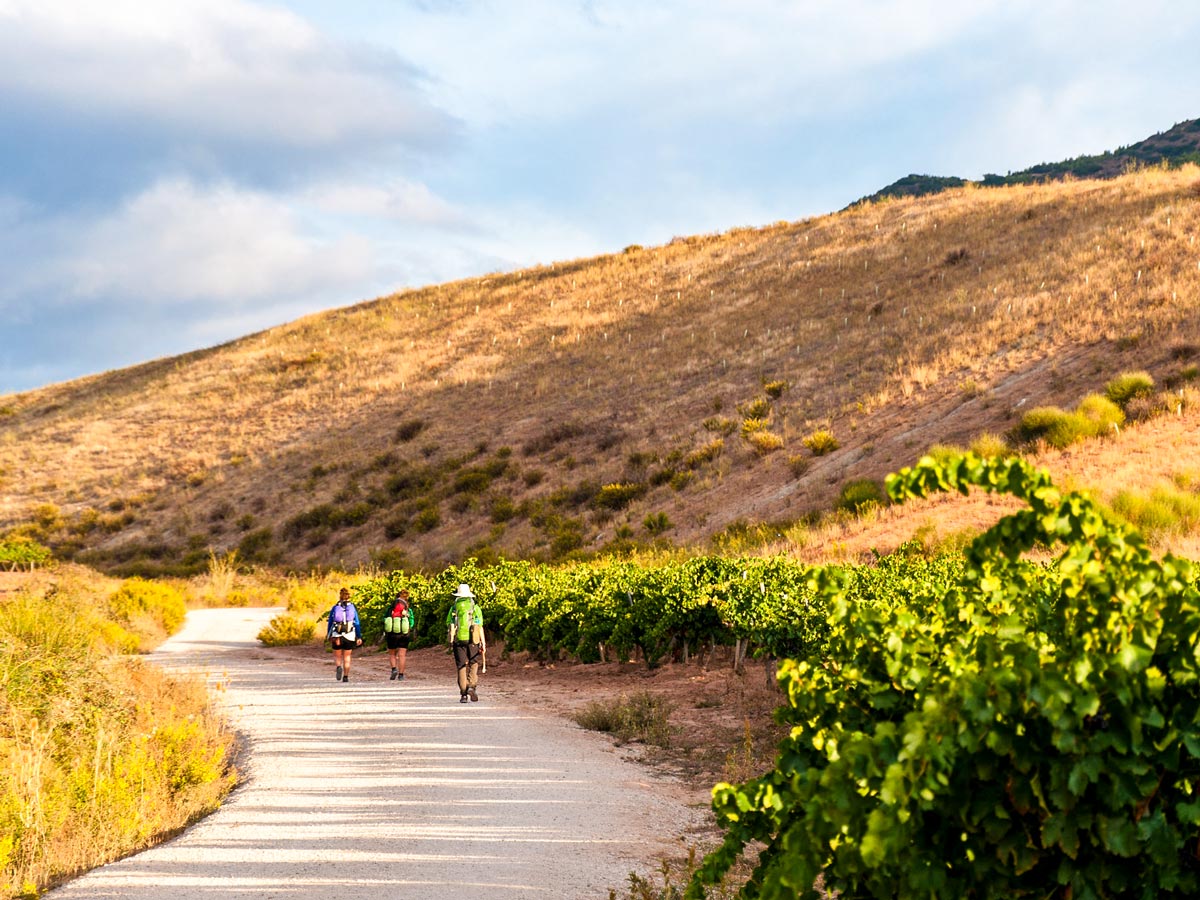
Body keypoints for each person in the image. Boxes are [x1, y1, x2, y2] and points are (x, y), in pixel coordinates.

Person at [446, 583, 484, 703]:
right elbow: (479, 626)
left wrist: (451, 640)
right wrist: (483, 642)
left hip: (458, 639)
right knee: (473, 662)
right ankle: (472, 686)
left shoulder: (454, 608)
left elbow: (449, 623)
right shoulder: (475, 607)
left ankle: (463, 694)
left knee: (461, 666)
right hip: (473, 639)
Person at [326, 587, 362, 683]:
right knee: (347, 657)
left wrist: (328, 635)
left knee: (337, 656)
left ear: (340, 596)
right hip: (349, 635)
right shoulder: (352, 607)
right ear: (348, 596)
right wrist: (358, 636)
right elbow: (357, 622)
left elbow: (330, 622)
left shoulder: (335, 607)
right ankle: (345, 677)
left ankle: (338, 667)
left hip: (336, 635)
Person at [383, 589, 415, 681]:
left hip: (392, 633)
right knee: (402, 655)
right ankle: (401, 675)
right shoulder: (408, 609)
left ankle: (393, 669)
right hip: (404, 633)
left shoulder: (390, 608)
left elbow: (385, 619)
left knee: (392, 653)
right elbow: (411, 621)